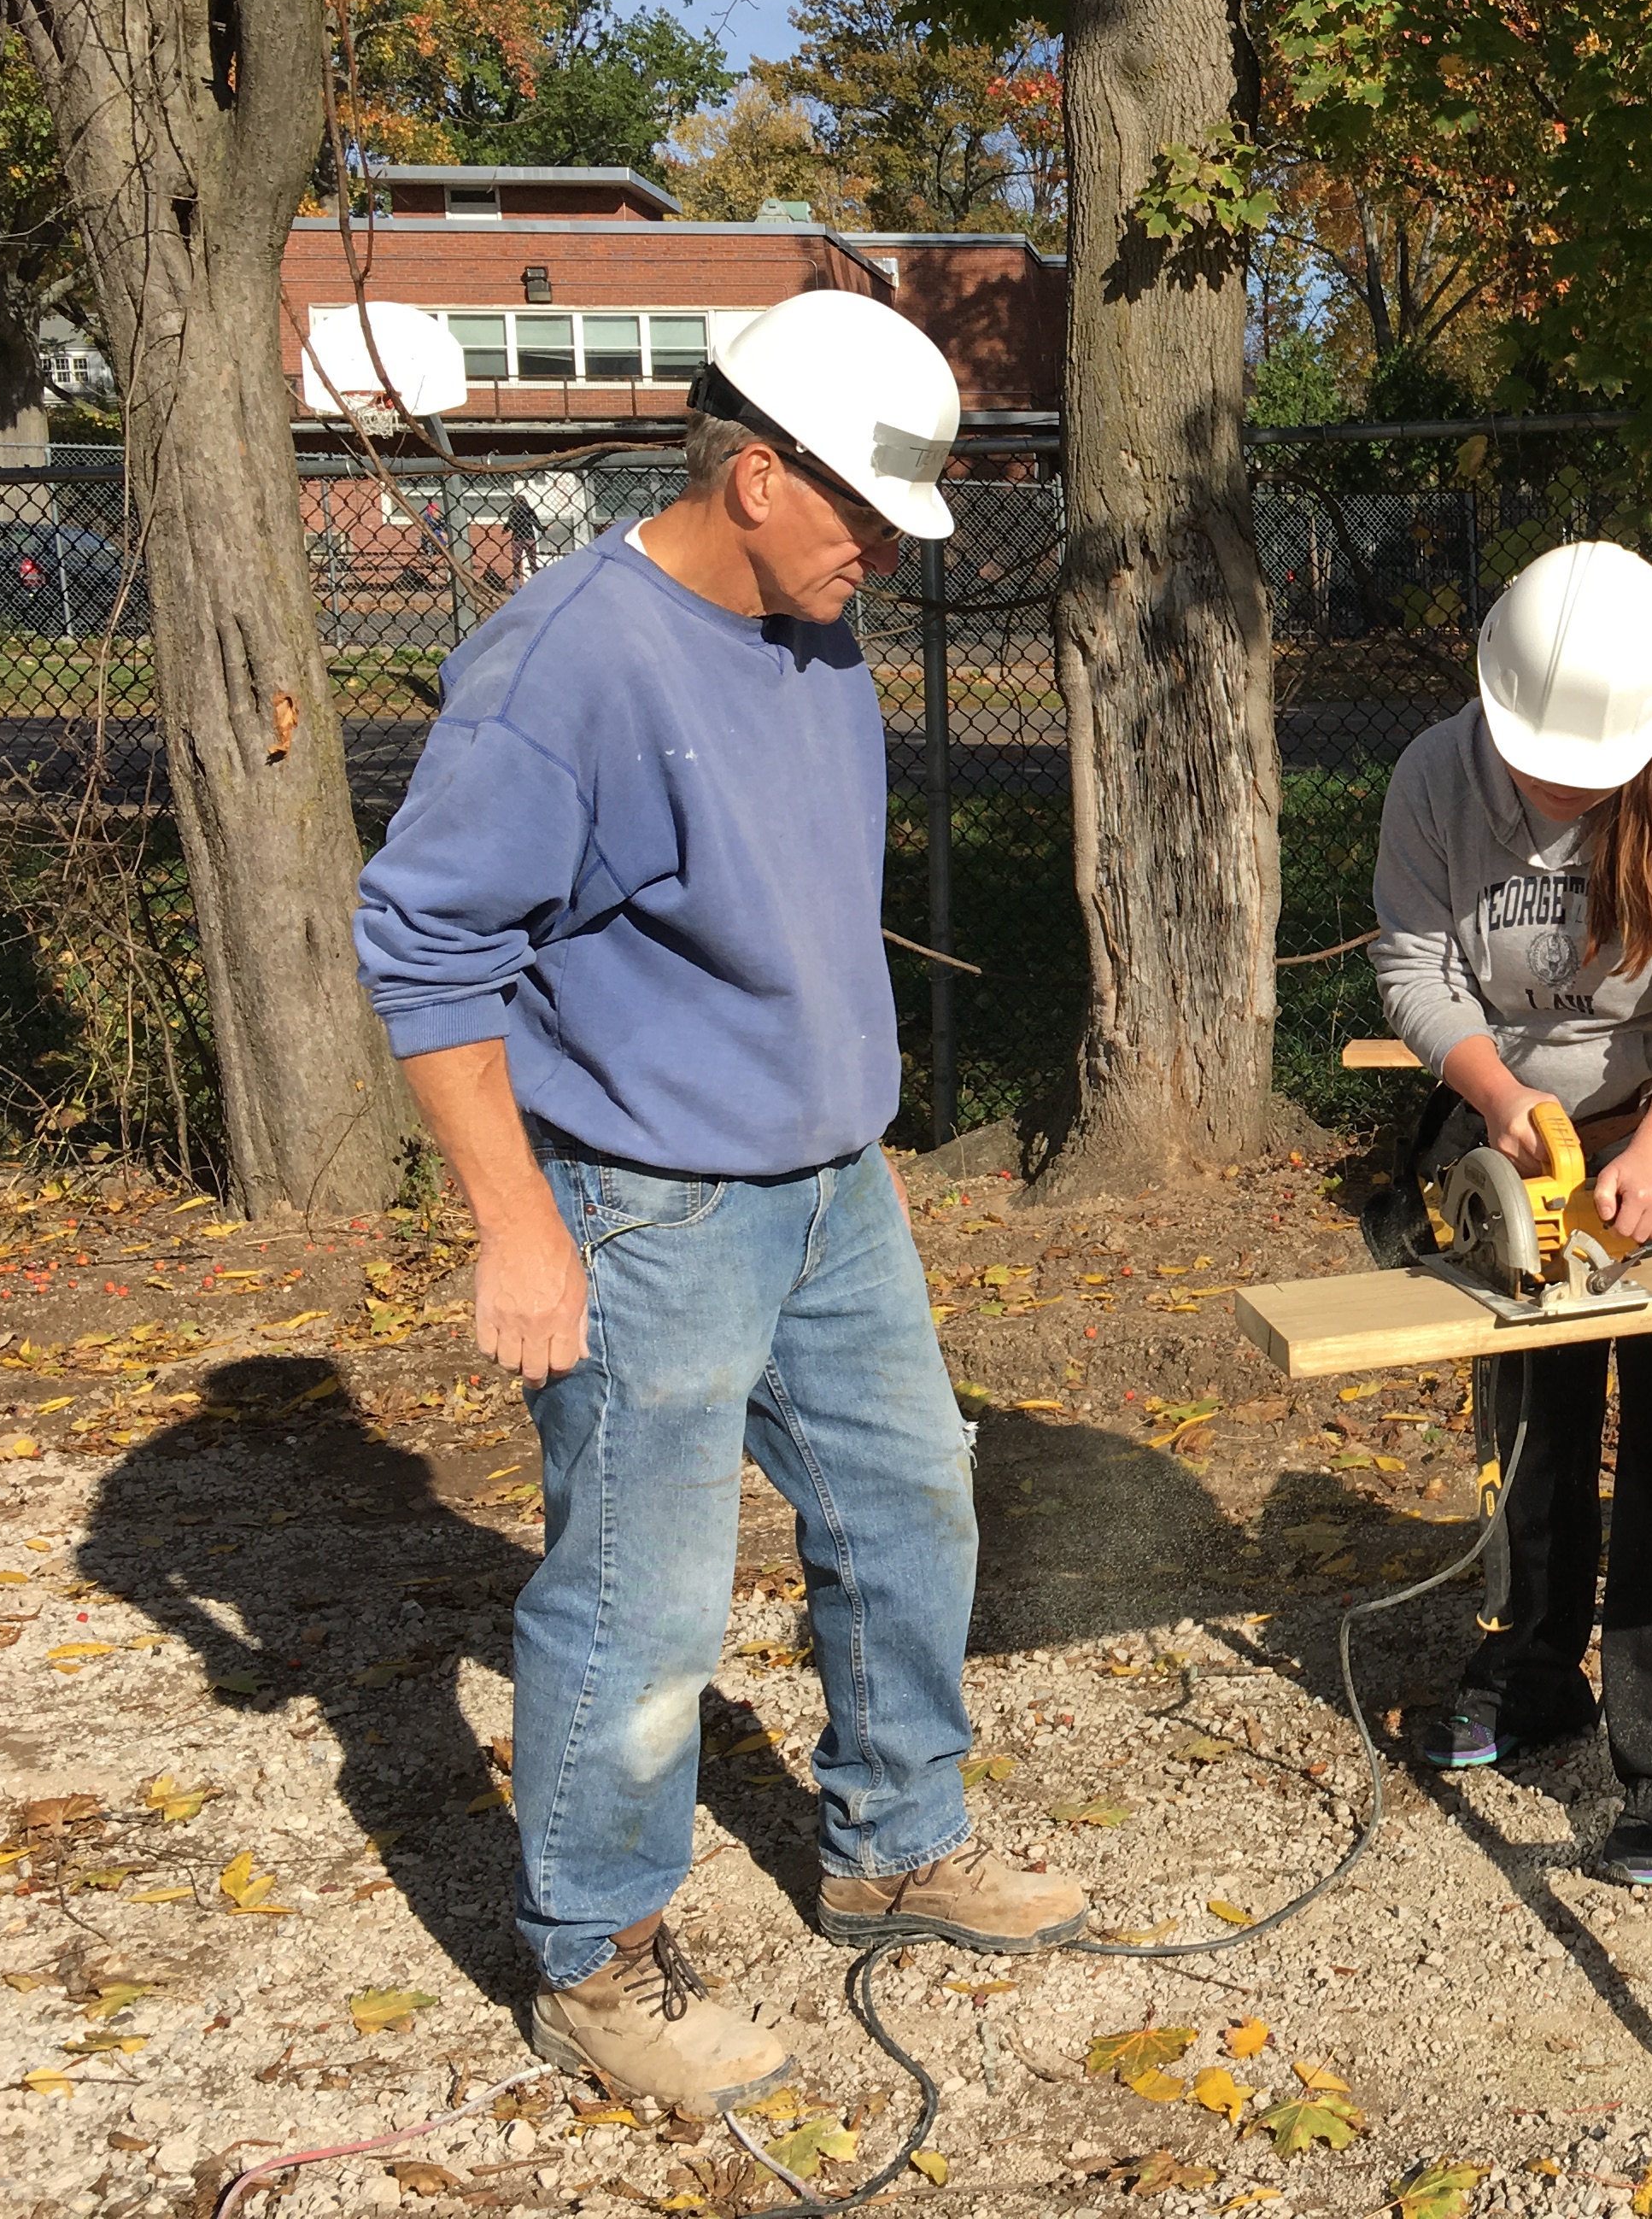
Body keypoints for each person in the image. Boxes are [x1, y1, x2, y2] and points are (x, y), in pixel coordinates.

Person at [354, 291, 1086, 2118]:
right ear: (753, 474)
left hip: (834, 1188)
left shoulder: (809, 628)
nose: (885, 553)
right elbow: (424, 946)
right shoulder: (566, 672)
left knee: (914, 1502)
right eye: (860, 511)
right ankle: (599, 1962)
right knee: (643, 1596)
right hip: (644, 1207)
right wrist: (519, 1228)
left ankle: (893, 1843)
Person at [1370, 539, 1652, 1888]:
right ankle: (1535, 1670)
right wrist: (1499, 1101)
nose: (1562, 783)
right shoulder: (1438, 775)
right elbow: (1414, 967)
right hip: (1518, 1126)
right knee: (1533, 1419)